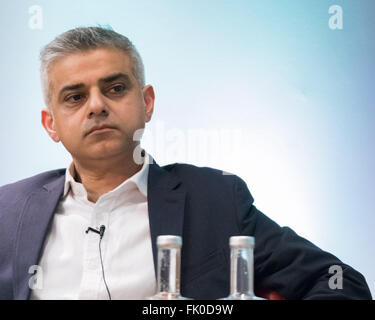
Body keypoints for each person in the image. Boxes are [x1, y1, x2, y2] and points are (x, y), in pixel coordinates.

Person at [0, 26, 371, 300]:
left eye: (115, 89)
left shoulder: (216, 200)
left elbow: (340, 282)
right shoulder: (9, 211)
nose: (97, 105)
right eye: (75, 96)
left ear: (147, 103)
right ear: (51, 124)